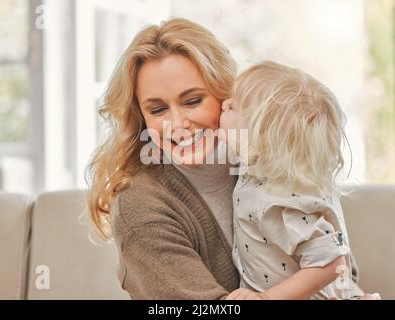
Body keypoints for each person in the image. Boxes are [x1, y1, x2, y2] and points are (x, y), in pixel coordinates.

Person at [86, 18, 367, 300]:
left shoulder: (274, 161)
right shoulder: (142, 209)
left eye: (193, 101)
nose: (176, 123)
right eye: (158, 110)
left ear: (226, 93)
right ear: (142, 118)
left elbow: (340, 269)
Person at [219, 61, 381, 300]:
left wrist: (266, 298)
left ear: (260, 136)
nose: (222, 105)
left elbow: (330, 262)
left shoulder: (276, 198)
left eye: (232, 106)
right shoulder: (264, 171)